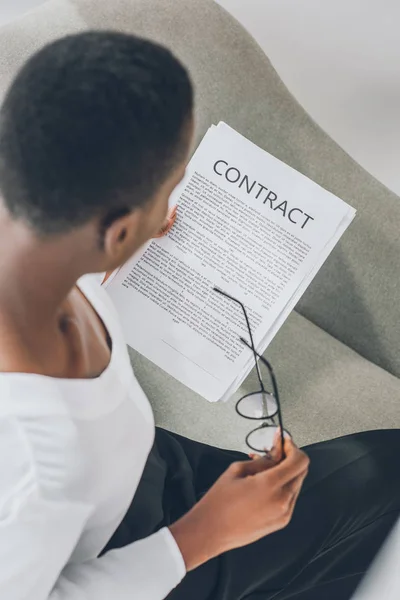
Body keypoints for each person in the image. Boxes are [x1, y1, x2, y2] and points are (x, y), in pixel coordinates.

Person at [0, 31, 398, 600]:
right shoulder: (33, 459)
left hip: (148, 470)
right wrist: (204, 534)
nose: (174, 204)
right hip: (148, 559)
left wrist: (107, 252)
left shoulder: (30, 230)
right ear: (115, 225)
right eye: (171, 188)